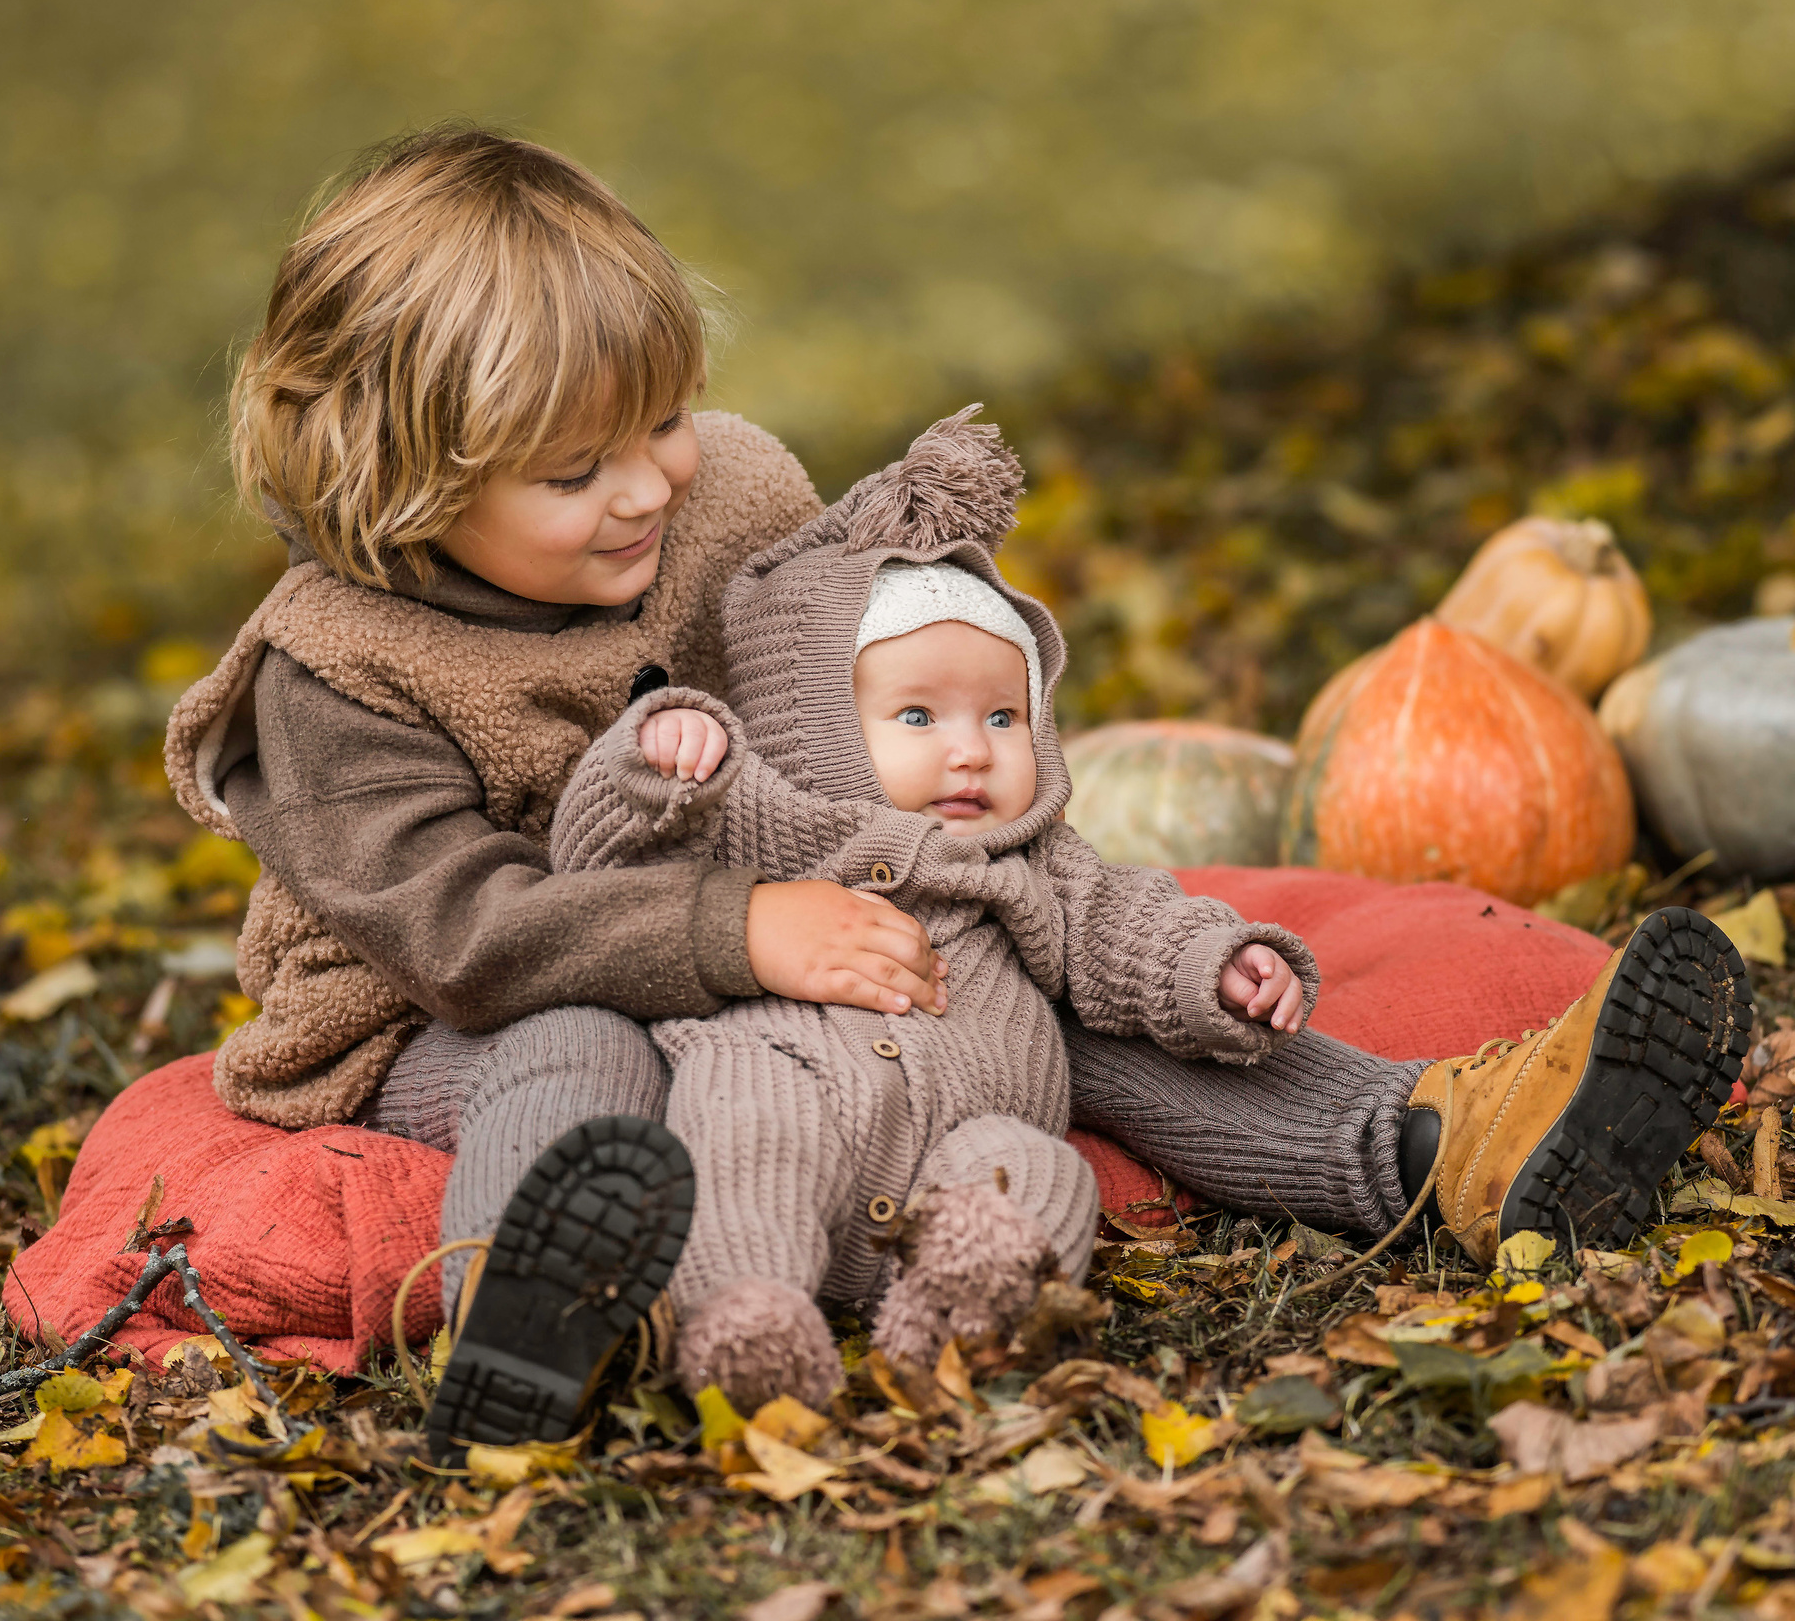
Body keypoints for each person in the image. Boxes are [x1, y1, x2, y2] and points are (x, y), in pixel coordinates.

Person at [162, 127, 1751, 1457]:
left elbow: (850, 692)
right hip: (449, 1016)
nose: (649, 482)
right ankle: (542, 1310)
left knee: (1027, 987)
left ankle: (1438, 1147)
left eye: (658, 420)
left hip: (787, 934)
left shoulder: (728, 500)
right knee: (572, 1050)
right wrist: (745, 931)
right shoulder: (337, 674)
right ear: (404, 483)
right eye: (576, 472)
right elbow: (464, 935)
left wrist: (1001, 863)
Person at [550, 409, 1316, 1412]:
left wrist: (1213, 965)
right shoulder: (758, 816)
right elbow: (599, 872)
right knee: (742, 1132)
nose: (970, 750)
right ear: (812, 723)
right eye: (919, 717)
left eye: (1001, 717)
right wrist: (652, 764)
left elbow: (1127, 922)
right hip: (793, 1097)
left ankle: (955, 1323)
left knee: (1038, 1173)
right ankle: (749, 1318)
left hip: (968, 1136)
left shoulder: (1029, 856)